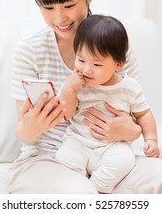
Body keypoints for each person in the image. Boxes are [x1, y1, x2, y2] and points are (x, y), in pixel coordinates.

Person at [8, 0, 162, 194]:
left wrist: (133, 131)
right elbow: (23, 134)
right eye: (48, 7)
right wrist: (34, 124)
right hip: (47, 159)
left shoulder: (114, 45)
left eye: (69, 5)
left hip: (111, 155)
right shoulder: (30, 51)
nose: (59, 18)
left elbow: (136, 113)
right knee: (81, 194)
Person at [55, 14, 161, 193]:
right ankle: (80, 187)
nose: (86, 69)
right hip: (79, 141)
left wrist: (151, 139)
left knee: (125, 160)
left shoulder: (128, 87)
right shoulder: (76, 83)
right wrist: (69, 89)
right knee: (63, 157)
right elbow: (68, 112)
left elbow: (143, 114)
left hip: (113, 146)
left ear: (118, 65)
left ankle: (97, 188)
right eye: (81, 60)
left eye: (97, 64)